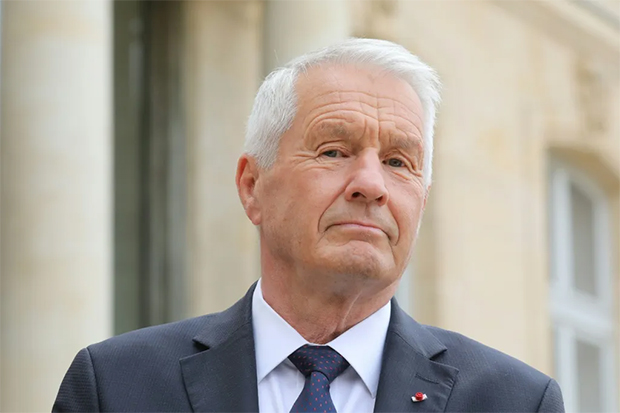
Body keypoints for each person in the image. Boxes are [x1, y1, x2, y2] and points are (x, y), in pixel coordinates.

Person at [53, 38, 564, 413]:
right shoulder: (116, 387)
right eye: (334, 151)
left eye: (398, 162)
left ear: (422, 202)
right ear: (252, 186)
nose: (372, 185)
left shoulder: (515, 402)